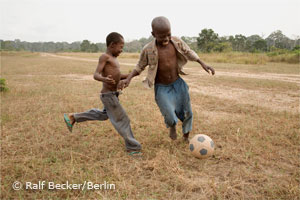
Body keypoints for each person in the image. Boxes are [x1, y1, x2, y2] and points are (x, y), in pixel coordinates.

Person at [122, 16, 215, 142]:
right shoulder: (148, 49)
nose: (166, 38)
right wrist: (129, 78)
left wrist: (202, 63)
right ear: (153, 34)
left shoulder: (176, 42)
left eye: (168, 34)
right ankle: (172, 125)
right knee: (170, 115)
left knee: (187, 112)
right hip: (162, 88)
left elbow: (189, 52)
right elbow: (140, 66)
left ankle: (186, 136)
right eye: (161, 36)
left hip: (178, 84)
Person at [63, 32, 142, 156]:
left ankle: (73, 117)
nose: (122, 50)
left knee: (104, 115)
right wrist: (103, 79)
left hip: (113, 94)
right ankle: (133, 147)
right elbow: (96, 74)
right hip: (108, 95)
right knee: (122, 119)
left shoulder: (115, 59)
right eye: (120, 47)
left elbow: (117, 75)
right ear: (112, 45)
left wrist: (132, 75)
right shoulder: (105, 57)